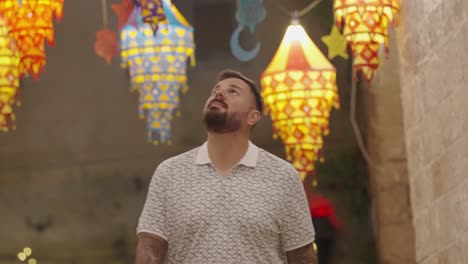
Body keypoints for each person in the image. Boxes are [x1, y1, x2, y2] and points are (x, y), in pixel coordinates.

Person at [135, 69, 318, 264]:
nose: (218, 93)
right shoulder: (170, 173)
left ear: (253, 117)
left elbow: (302, 256)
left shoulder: (283, 176)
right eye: (216, 90)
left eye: (233, 91)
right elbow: (150, 246)